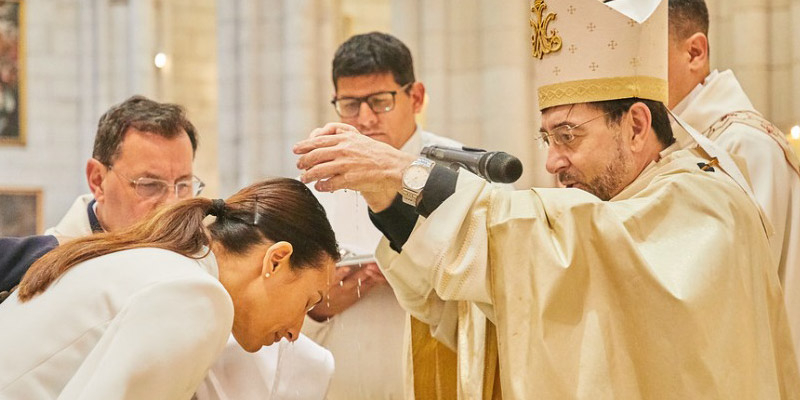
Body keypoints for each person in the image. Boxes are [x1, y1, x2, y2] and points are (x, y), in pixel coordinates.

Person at [294, 0, 800, 397]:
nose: (553, 162)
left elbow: (566, 240)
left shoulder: (706, 202)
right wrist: (389, 201)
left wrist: (406, 172)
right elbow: (493, 302)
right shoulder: (616, 209)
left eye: (568, 136)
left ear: (638, 124)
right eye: (547, 139)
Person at [38, 95, 335, 399]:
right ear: (97, 180)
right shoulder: (190, 291)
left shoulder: (190, 276)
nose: (171, 203)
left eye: (183, 184)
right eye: (149, 185)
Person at [0, 178, 339, 399]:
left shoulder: (164, 264)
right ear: (276, 260)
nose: (297, 331)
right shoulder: (197, 296)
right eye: (308, 301)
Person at [302, 32, 463, 400]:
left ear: (416, 97)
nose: (365, 119)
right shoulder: (315, 183)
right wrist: (318, 307)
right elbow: (289, 311)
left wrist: (415, 270)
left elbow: (498, 278)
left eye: (379, 101)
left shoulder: (461, 172)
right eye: (349, 104)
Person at [667, 0, 800, 364]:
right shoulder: (677, 144)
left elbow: (739, 295)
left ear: (695, 52)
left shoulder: (743, 144)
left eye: (642, 53)